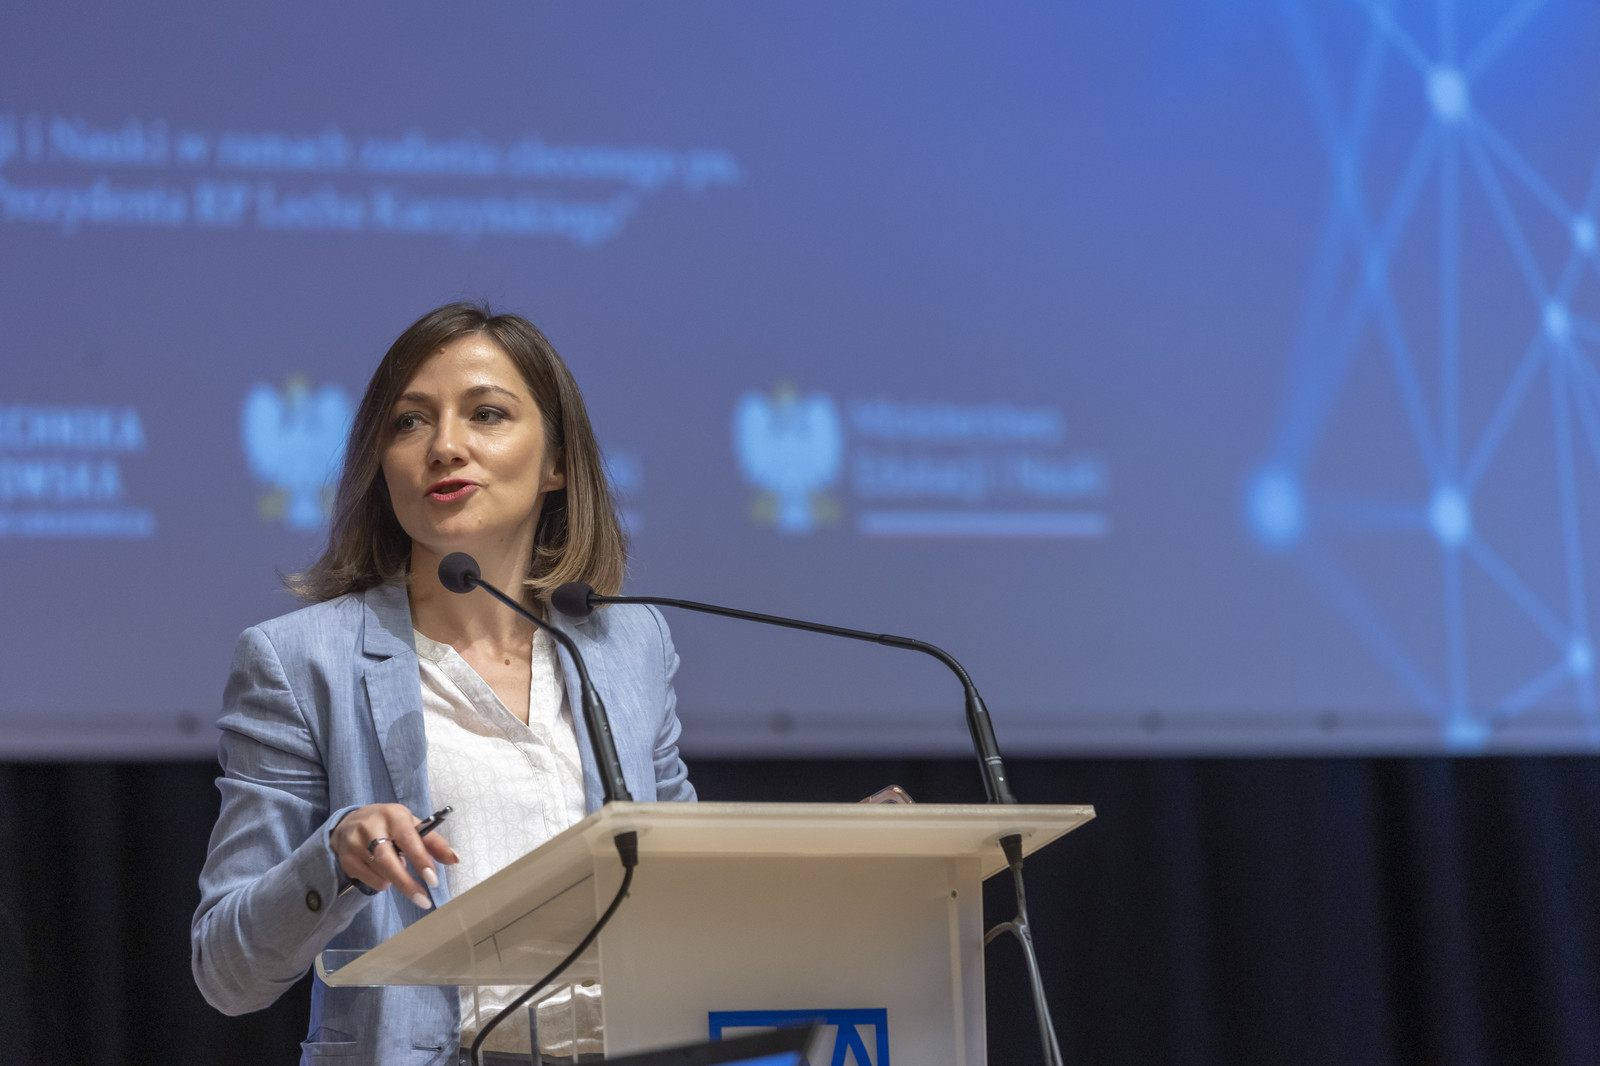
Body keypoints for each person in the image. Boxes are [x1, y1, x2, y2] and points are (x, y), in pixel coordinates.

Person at [191, 303, 695, 1065]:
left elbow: (682, 881)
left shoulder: (629, 644)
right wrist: (336, 860)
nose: (445, 447)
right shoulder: (299, 661)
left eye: (486, 414)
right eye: (409, 423)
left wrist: (835, 852)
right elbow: (226, 974)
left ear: (557, 463)